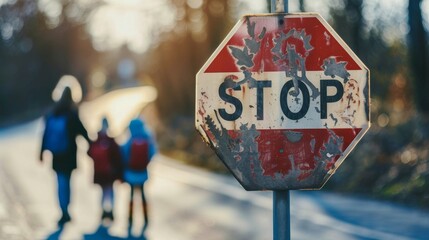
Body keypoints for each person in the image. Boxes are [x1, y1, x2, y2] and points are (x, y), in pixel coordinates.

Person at [40, 86, 90, 226]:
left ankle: (63, 210)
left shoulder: (54, 112)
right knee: (67, 182)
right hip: (69, 154)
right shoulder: (72, 113)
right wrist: (93, 144)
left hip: (56, 154)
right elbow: (82, 131)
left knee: (60, 182)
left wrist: (42, 151)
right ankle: (66, 210)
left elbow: (46, 133)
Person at [121, 118, 157, 233]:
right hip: (142, 172)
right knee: (143, 195)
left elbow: (124, 153)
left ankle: (130, 219)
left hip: (131, 173)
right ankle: (146, 218)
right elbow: (152, 153)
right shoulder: (147, 137)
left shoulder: (131, 139)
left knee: (131, 196)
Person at [87, 117, 122, 223]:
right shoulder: (111, 140)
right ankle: (110, 211)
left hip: (100, 172)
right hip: (109, 172)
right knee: (110, 192)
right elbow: (117, 155)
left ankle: (104, 210)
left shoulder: (97, 140)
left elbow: (89, 153)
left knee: (103, 192)